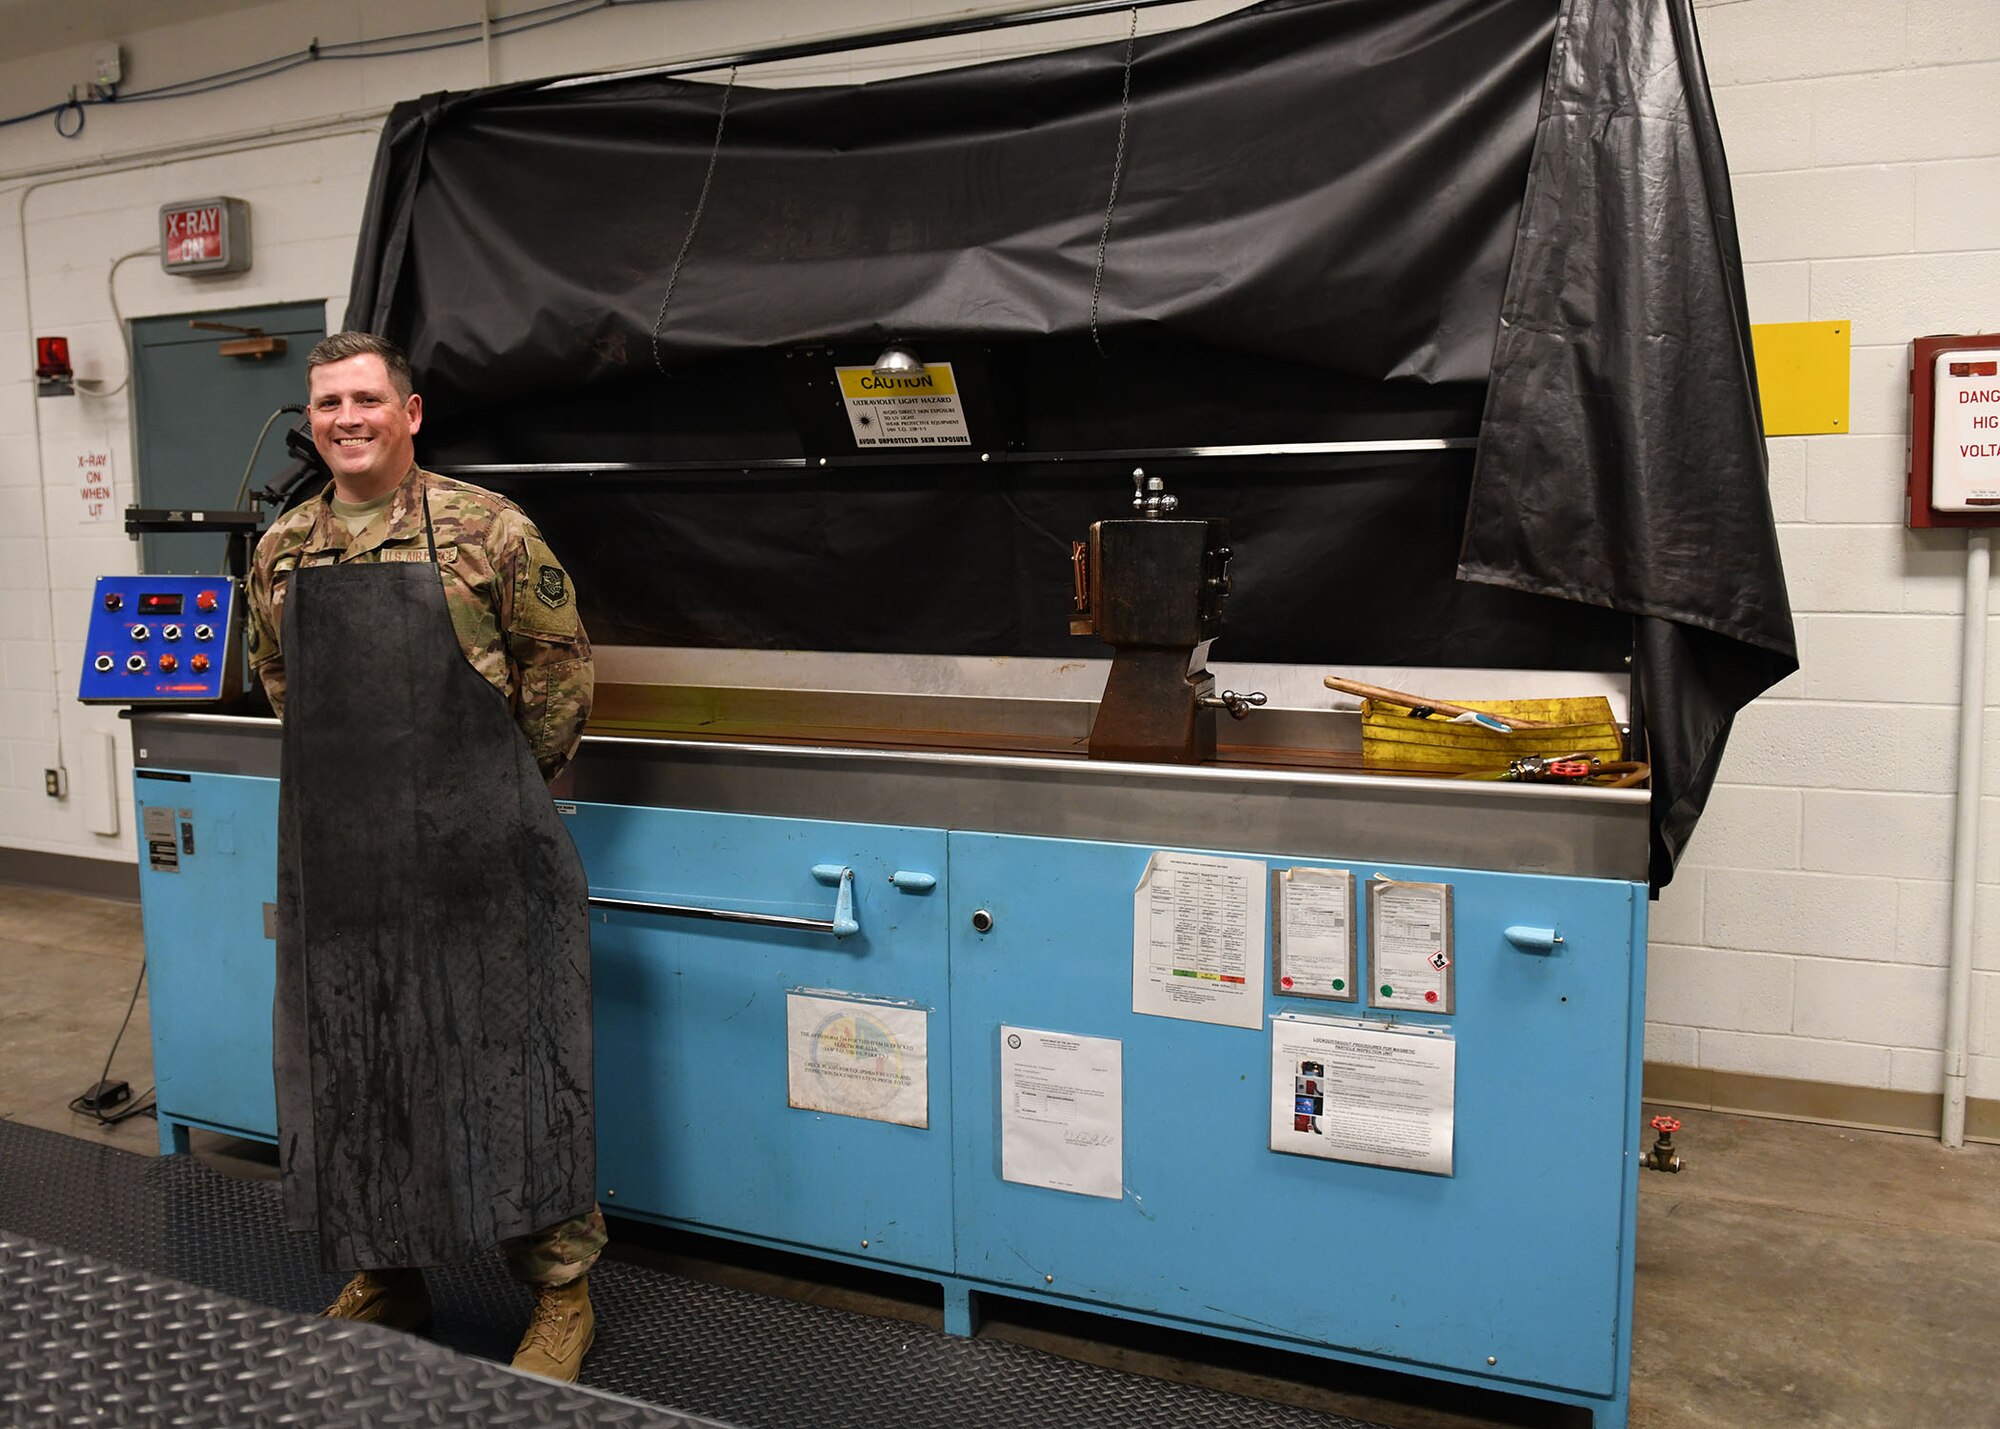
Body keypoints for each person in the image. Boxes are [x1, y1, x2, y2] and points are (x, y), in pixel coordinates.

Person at [246, 331, 603, 1382]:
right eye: (326, 404)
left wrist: (500, 799)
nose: (344, 418)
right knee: (362, 1065)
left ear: (408, 414)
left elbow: (561, 665)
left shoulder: (483, 530)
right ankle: (387, 1268)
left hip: (483, 854)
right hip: (345, 860)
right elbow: (280, 682)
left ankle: (559, 1291)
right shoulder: (284, 547)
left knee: (516, 1066)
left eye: (364, 399)